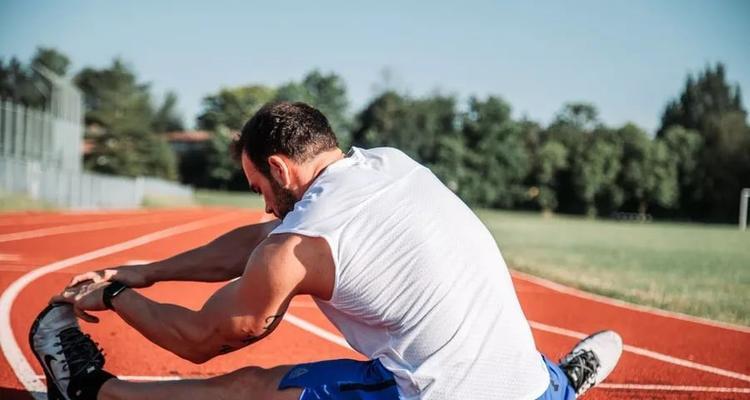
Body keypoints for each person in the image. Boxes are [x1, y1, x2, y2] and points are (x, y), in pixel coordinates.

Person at [31, 101, 622, 400]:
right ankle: (559, 387)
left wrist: (115, 294)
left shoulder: (299, 245)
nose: (263, 206)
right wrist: (149, 271)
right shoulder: (388, 165)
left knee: (253, 387)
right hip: (522, 382)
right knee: (490, 344)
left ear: (281, 169)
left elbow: (200, 341)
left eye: (260, 188)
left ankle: (94, 392)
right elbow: (262, 240)